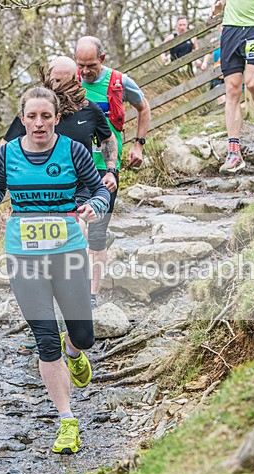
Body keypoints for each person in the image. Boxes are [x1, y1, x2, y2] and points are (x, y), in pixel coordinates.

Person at [0, 87, 110, 454]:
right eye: (31, 116)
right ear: (22, 120)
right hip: (23, 255)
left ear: (55, 118)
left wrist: (94, 205)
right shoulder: (7, 152)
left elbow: (98, 189)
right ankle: (67, 420)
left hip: (67, 252)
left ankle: (75, 350)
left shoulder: (74, 151)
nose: (38, 123)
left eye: (45, 116)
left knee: (83, 336)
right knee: (45, 339)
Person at [2, 56, 118, 312]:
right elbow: (5, 148)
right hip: (46, 192)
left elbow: (108, 139)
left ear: (76, 81)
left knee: (81, 231)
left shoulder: (89, 109)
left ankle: (89, 296)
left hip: (83, 187)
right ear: (47, 79)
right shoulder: (36, 114)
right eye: (56, 80)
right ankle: (52, 304)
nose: (61, 87)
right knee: (60, 242)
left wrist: (110, 170)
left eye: (67, 81)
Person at [75, 36, 151, 307]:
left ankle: (92, 294)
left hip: (107, 167)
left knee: (96, 233)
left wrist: (138, 145)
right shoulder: (70, 83)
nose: (85, 72)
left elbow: (143, 107)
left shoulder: (119, 81)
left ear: (102, 60)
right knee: (75, 223)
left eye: (91, 65)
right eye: (80, 65)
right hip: (74, 165)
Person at [210, 0, 254, 174]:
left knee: (253, 83)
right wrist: (219, 6)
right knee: (232, 89)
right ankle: (234, 152)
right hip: (231, 29)